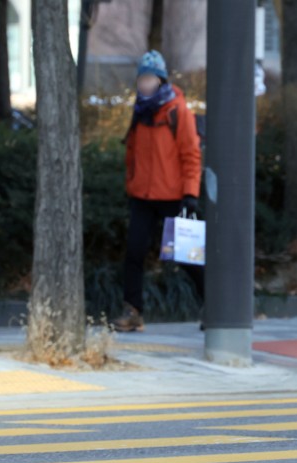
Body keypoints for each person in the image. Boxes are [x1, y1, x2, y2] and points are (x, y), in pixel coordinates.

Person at [113, 50, 203, 332]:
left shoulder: (178, 111)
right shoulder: (140, 112)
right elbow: (131, 152)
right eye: (141, 79)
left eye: (150, 78)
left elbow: (191, 155)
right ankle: (133, 310)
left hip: (173, 197)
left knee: (186, 257)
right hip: (142, 196)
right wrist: (131, 183)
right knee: (134, 253)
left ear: (161, 80)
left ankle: (215, 305)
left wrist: (191, 193)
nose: (145, 84)